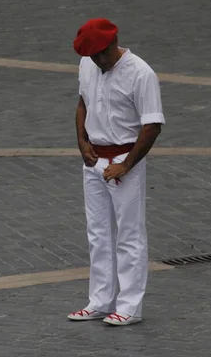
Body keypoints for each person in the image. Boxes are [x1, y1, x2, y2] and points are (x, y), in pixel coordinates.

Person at [67, 18, 165, 326]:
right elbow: (83, 102)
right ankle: (99, 300)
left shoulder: (140, 73)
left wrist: (126, 164)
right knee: (97, 234)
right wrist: (82, 140)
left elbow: (151, 126)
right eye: (92, 56)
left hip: (124, 161)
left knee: (129, 235)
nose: (97, 61)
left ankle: (130, 306)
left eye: (101, 55)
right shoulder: (88, 64)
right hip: (94, 161)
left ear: (114, 43)